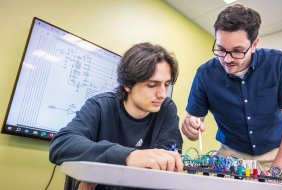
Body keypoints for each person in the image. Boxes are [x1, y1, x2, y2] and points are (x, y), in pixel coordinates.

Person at [181, 4, 282, 181]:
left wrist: (276, 171)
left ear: (255, 44)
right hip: (229, 157)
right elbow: (191, 122)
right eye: (221, 49)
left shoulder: (278, 63)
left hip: (276, 156)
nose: (227, 59)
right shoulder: (205, 74)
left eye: (237, 51)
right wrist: (191, 128)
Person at [49, 42, 183, 190]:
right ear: (127, 84)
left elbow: (168, 159)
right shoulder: (100, 105)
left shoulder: (166, 109)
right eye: (152, 85)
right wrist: (128, 156)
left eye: (167, 84)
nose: (162, 94)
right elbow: (61, 144)